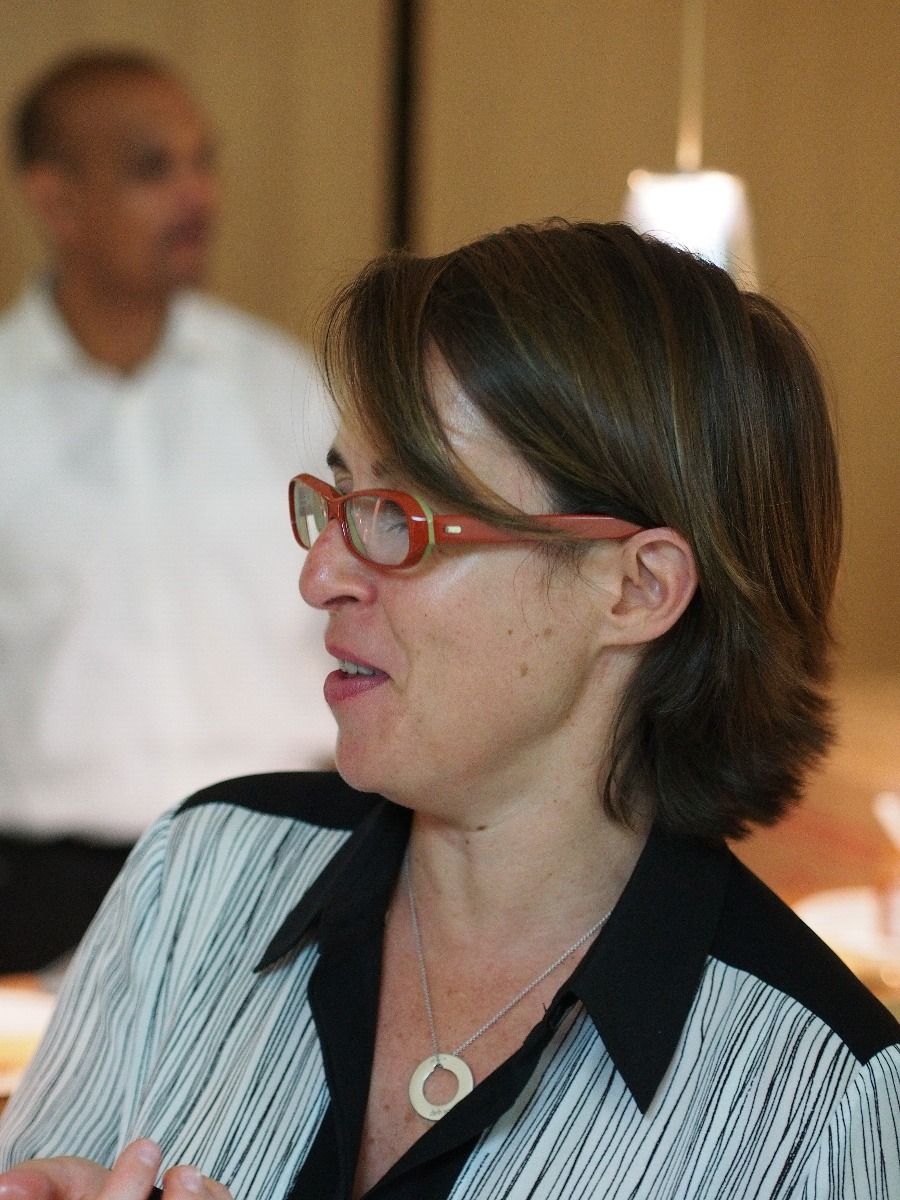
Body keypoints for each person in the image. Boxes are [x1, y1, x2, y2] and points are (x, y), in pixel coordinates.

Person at [0, 220, 897, 1199]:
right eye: (339, 499)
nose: (319, 576)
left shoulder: (823, 1104)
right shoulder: (199, 875)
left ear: (638, 588)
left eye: (400, 518)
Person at [0, 49, 336, 971]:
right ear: (55, 200)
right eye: (153, 169)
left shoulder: (287, 390)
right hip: (45, 886)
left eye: (203, 162)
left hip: (282, 858)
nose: (197, 197)